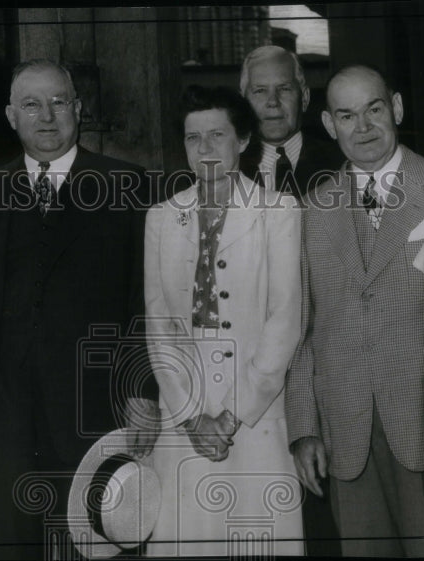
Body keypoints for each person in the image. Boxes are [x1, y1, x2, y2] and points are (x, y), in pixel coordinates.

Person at [0, 59, 158, 559]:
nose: (46, 116)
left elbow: (148, 300)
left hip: (96, 405)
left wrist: (142, 389)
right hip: (5, 407)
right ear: (10, 115)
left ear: (78, 110)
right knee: (11, 540)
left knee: (97, 543)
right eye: (31, 104)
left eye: (58, 102)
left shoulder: (127, 186)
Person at [285, 64, 424, 557]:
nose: (364, 127)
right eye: (347, 115)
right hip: (345, 432)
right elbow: (303, 328)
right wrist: (304, 428)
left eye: (374, 109)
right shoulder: (311, 210)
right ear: (330, 125)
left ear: (395, 107)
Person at [144, 85, 303, 557]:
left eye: (217, 134)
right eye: (194, 138)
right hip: (183, 414)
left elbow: (284, 320)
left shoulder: (279, 212)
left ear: (243, 140)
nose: (206, 148)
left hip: (255, 414)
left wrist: (232, 414)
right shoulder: (160, 217)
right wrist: (193, 415)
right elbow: (160, 323)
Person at [239, 45, 342, 197]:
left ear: (305, 98)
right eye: (260, 91)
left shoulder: (341, 163)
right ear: (242, 102)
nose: (273, 101)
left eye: (284, 89)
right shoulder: (226, 168)